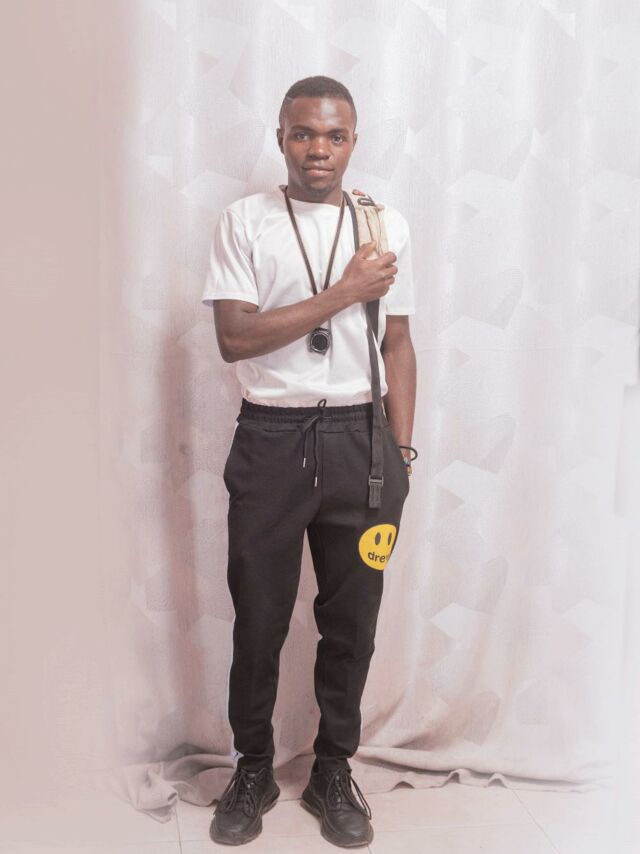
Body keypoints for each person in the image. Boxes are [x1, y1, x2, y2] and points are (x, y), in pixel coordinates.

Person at [201, 75, 417, 848]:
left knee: (352, 622)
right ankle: (253, 767)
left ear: (353, 141)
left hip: (364, 444)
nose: (318, 149)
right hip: (271, 438)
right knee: (259, 617)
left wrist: (402, 450)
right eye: (303, 133)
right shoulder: (244, 222)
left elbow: (398, 343)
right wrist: (344, 291)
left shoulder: (383, 224)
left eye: (334, 135)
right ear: (281, 137)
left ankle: (333, 769)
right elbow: (235, 338)